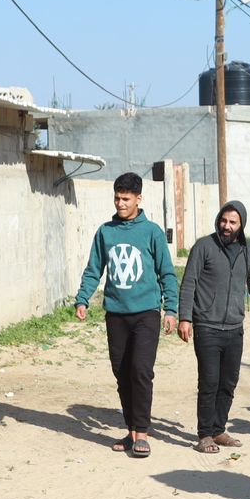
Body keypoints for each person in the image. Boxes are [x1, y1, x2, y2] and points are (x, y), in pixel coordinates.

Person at [75, 173, 179, 458]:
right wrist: (82, 298)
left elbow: (167, 273)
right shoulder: (105, 232)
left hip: (146, 312)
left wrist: (171, 308)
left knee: (141, 371)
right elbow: (94, 269)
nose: (120, 203)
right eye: (117, 198)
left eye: (126, 198)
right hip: (116, 314)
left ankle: (143, 433)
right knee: (121, 373)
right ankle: (132, 430)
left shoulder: (152, 232)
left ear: (138, 199)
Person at [177, 201, 250, 453]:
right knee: (209, 381)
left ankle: (218, 430)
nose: (226, 226)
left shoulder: (249, 251)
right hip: (206, 325)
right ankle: (204, 434)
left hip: (234, 328)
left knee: (229, 381)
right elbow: (189, 284)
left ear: (241, 225)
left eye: (232, 222)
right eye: (223, 220)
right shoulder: (203, 247)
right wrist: (185, 318)